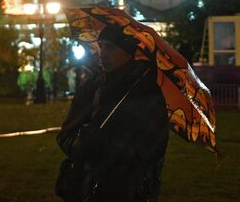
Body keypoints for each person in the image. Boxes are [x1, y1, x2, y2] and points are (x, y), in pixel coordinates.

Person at [56, 26, 169, 202]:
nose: (102, 54)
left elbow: (155, 146)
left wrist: (117, 148)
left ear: (128, 51)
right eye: (101, 46)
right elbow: (65, 135)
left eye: (110, 47)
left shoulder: (147, 90)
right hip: (87, 188)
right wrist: (83, 143)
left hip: (131, 191)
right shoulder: (92, 88)